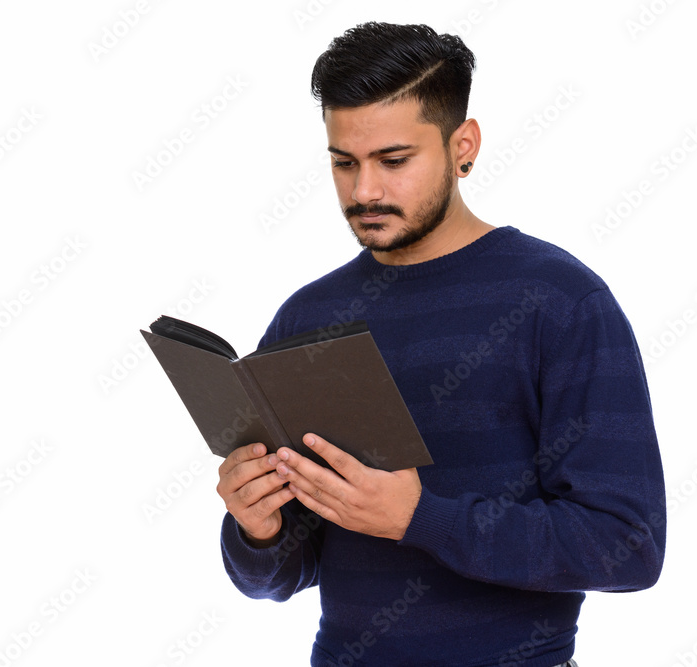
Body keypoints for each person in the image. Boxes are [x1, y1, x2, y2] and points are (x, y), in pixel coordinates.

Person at [215, 22, 665, 667]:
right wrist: (257, 528)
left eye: (393, 161)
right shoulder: (308, 317)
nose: (364, 190)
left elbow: (629, 545)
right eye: (344, 162)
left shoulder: (560, 302)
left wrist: (420, 516)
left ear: (464, 146)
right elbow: (280, 576)